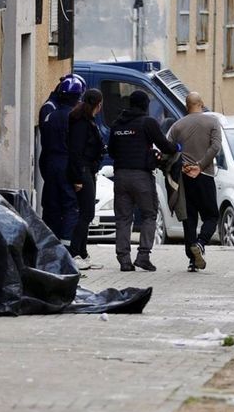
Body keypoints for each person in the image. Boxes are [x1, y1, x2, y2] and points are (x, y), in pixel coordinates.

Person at [108, 90, 179, 272]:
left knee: (123, 219)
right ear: (145, 105)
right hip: (141, 177)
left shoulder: (117, 124)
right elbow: (165, 145)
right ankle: (143, 256)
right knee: (149, 215)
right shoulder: (147, 123)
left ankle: (124, 260)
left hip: (121, 177)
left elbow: (112, 152)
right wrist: (176, 147)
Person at [167, 92, 222, 272]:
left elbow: (169, 151)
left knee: (189, 218)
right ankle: (201, 243)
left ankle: (192, 261)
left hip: (184, 179)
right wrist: (200, 165)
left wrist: (182, 166)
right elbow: (215, 147)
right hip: (204, 176)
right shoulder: (213, 122)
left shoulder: (176, 126)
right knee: (212, 216)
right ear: (202, 103)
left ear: (186, 106)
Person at [39, 74, 86, 246]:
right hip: (67, 165)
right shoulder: (75, 119)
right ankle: (67, 250)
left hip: (51, 164)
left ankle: (48, 248)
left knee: (51, 206)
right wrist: (78, 176)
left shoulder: (50, 115)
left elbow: (45, 144)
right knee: (70, 207)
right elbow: (77, 149)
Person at [66, 88, 104, 271]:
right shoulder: (81, 123)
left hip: (88, 170)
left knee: (87, 213)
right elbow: (75, 151)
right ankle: (74, 253)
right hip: (82, 171)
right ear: (98, 103)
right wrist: (78, 178)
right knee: (86, 213)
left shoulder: (88, 120)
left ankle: (82, 253)